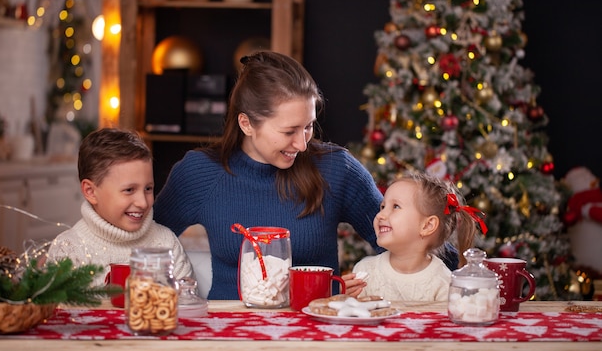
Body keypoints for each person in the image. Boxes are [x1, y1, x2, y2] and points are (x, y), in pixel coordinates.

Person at [153, 51, 387, 300]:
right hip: (231, 331)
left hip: (315, 330)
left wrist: (372, 281)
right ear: (247, 124)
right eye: (289, 131)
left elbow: (401, 241)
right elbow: (147, 243)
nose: (302, 144)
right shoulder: (200, 173)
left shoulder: (337, 169)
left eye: (308, 127)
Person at [47, 128, 194, 285]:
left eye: (148, 189)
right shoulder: (68, 251)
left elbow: (186, 302)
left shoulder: (166, 243)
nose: (143, 203)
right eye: (129, 190)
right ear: (90, 191)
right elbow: (52, 308)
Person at [344, 171, 487, 302]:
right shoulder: (365, 271)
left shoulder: (443, 283)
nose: (380, 215)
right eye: (382, 207)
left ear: (427, 226)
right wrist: (347, 299)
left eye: (395, 207)